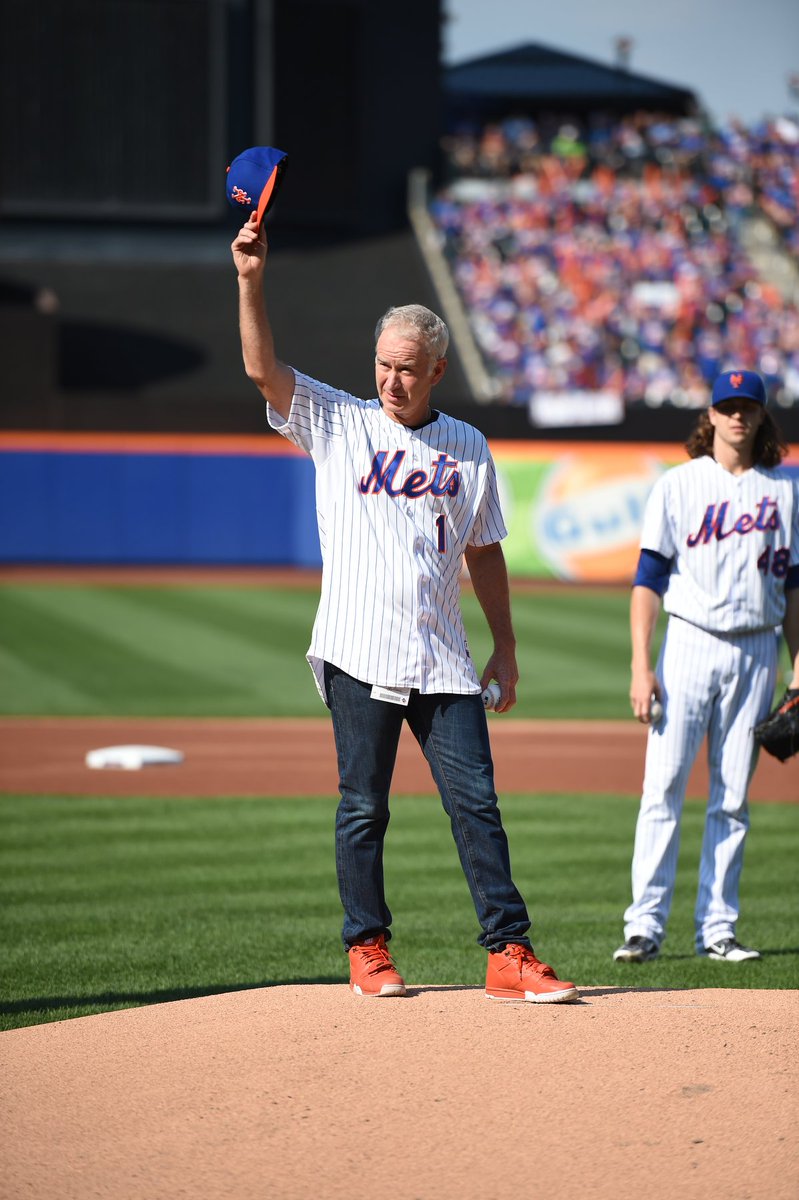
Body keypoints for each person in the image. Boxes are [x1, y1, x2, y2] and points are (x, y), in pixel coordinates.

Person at [232, 211, 578, 1003]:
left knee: (477, 805)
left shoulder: (468, 447)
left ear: (437, 371)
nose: (392, 380)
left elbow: (483, 551)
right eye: (384, 365)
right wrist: (250, 279)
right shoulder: (339, 422)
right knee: (363, 807)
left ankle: (508, 953)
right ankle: (367, 946)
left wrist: (505, 647)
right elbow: (261, 371)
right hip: (356, 647)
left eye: (408, 369)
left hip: (443, 656)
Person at [614, 369, 799, 965]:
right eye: (728, 406)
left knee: (733, 796)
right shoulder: (678, 485)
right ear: (712, 415)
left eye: (748, 406)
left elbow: (794, 587)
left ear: (762, 416)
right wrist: (641, 664)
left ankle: (718, 928)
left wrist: (798, 667)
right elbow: (648, 579)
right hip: (689, 643)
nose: (738, 415)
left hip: (757, 648)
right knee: (662, 787)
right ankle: (644, 927)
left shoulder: (786, 490)